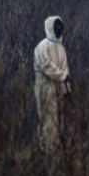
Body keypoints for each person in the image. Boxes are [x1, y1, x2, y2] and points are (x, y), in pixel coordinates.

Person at [33, 16, 71, 153]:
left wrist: (67, 89)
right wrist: (62, 76)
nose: (59, 30)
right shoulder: (43, 46)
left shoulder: (61, 48)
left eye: (60, 27)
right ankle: (47, 148)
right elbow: (46, 66)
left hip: (58, 86)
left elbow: (65, 68)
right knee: (47, 117)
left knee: (59, 117)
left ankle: (57, 147)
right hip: (45, 85)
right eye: (56, 27)